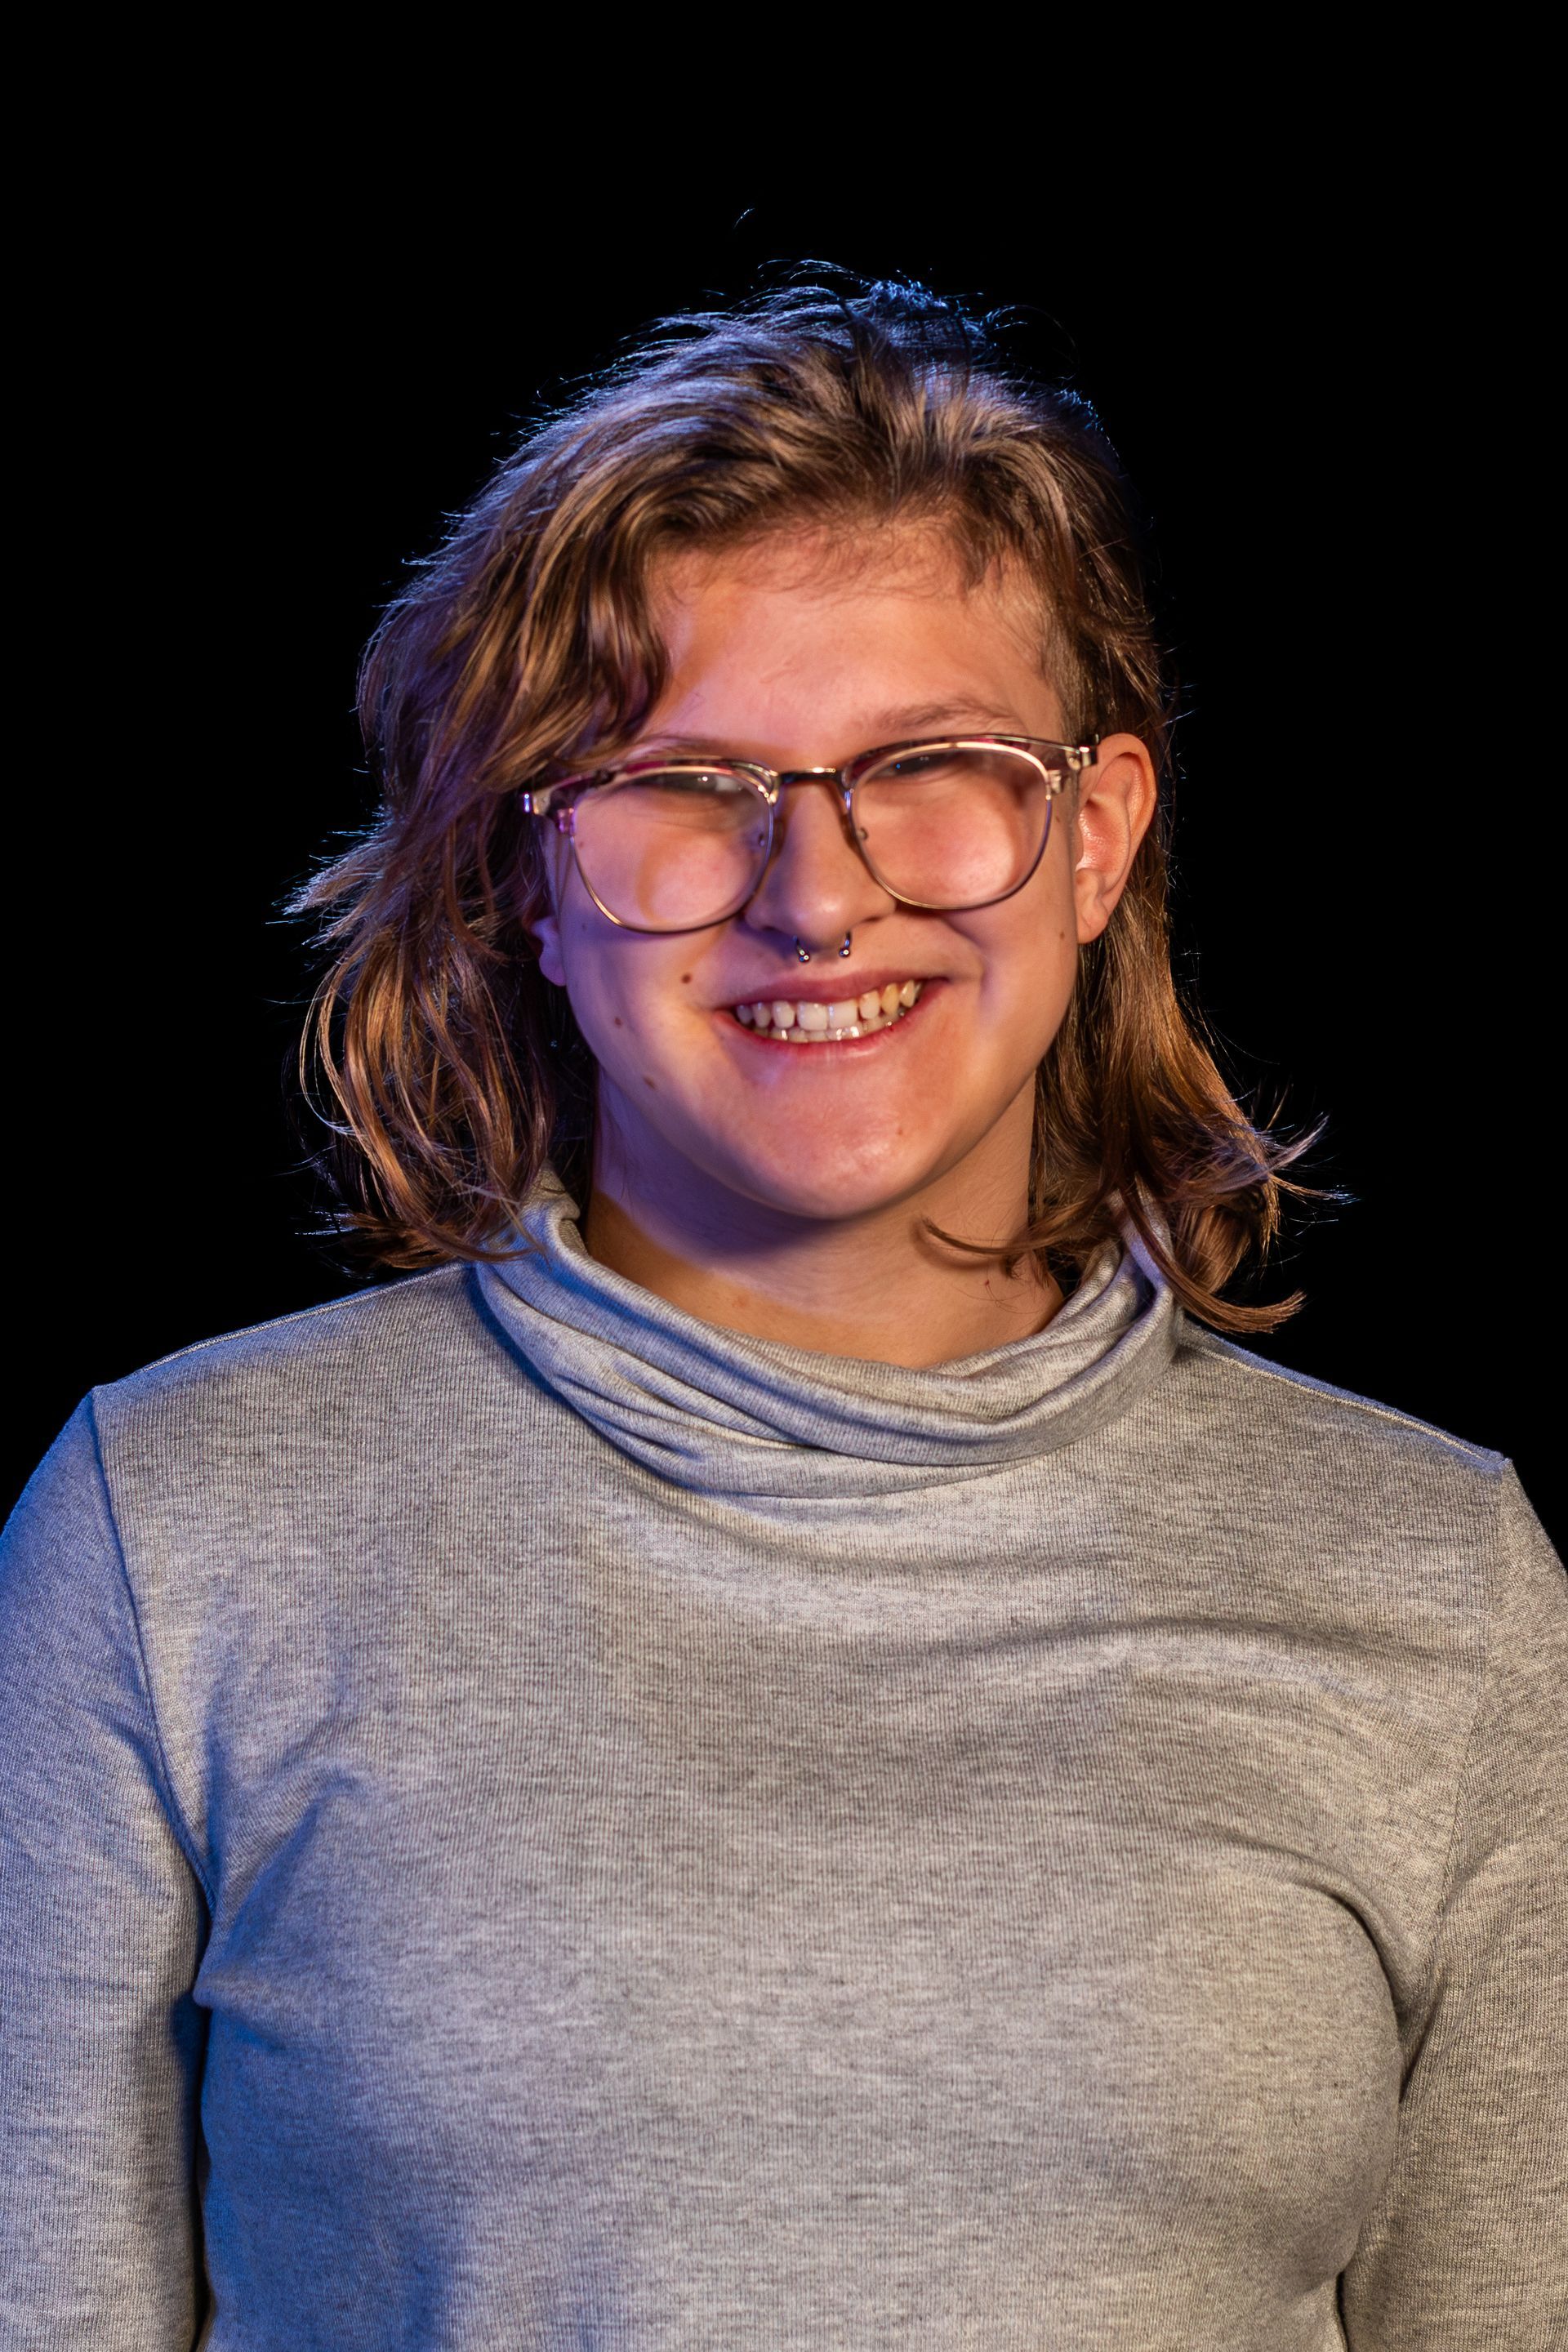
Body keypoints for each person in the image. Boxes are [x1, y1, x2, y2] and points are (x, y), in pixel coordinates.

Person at [2, 277, 1563, 2351]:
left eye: (931, 764)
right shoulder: (170, 1539)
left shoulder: (1441, 1588)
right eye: (686, 782)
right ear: (525, 889)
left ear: (1094, 839)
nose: (813, 895)